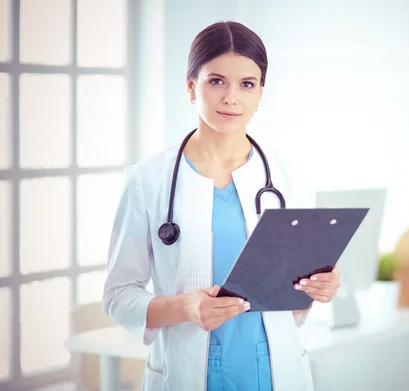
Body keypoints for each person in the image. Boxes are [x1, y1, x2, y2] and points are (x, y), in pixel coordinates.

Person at [103, 21, 342, 391]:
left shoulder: (290, 178)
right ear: (190, 87)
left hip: (275, 371)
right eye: (216, 81)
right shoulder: (147, 180)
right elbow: (119, 295)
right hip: (186, 372)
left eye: (247, 84)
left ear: (260, 93)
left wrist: (318, 287)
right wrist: (186, 308)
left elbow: (295, 306)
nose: (231, 97)